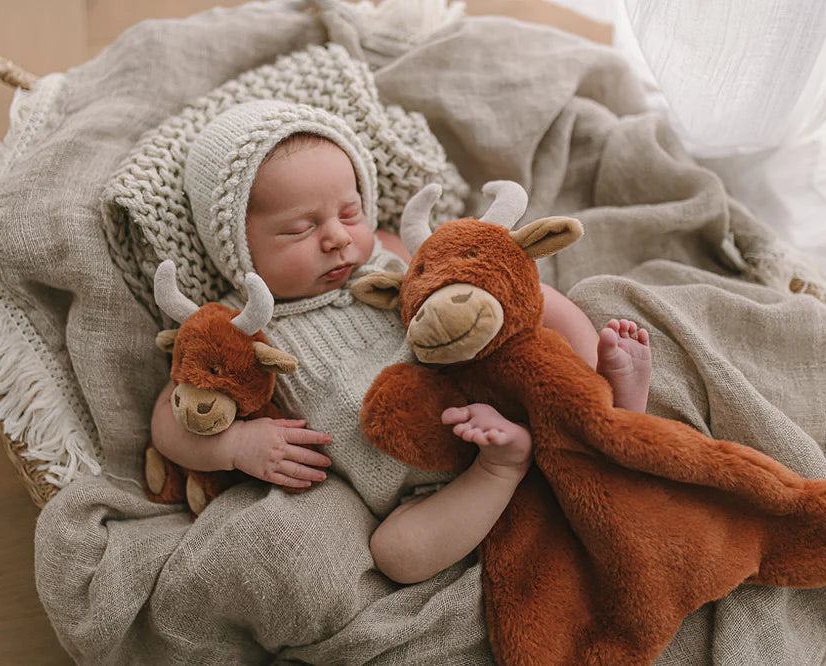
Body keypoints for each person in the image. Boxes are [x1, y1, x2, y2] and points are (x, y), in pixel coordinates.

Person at [150, 99, 652, 585]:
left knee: (516, 297)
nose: (338, 239)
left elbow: (489, 284)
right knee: (396, 556)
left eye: (350, 214)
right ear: (236, 246)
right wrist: (237, 445)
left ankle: (602, 391)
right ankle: (503, 468)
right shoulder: (231, 326)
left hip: (493, 395)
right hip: (420, 493)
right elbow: (170, 418)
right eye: (300, 229)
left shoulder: (388, 257)